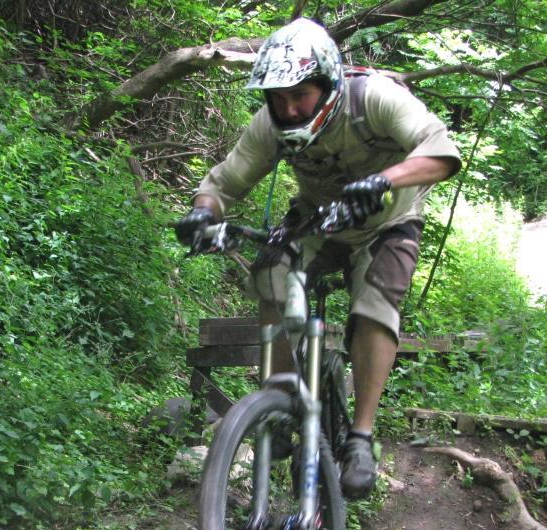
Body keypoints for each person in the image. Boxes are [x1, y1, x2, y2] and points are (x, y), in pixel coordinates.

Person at [175, 18, 461, 499]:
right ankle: (280, 400)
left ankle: (362, 437)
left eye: (299, 96)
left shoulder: (372, 98)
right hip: (318, 220)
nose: (288, 108)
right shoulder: (271, 124)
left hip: (387, 222)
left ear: (326, 84)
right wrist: (203, 214)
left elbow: (441, 152)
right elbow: (225, 182)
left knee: (374, 308)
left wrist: (385, 181)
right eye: (277, 98)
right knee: (270, 270)